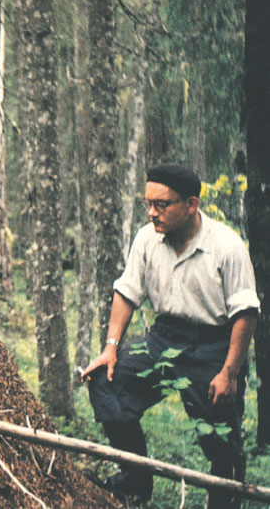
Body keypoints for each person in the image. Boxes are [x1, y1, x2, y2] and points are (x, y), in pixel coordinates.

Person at [81, 163, 259, 508]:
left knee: (222, 442)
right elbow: (127, 291)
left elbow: (245, 312)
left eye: (161, 205)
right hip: (164, 339)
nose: (151, 213)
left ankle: (224, 500)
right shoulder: (148, 238)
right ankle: (135, 476)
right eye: (148, 203)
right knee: (105, 380)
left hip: (214, 346)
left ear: (191, 204)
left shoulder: (227, 246)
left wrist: (230, 372)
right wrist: (110, 347)